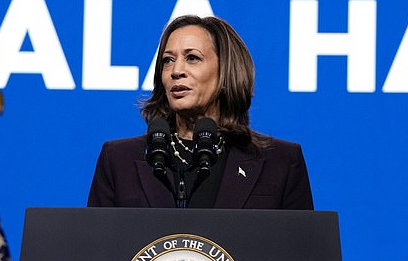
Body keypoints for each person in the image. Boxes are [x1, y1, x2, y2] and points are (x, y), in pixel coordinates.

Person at [87, 15, 313, 209]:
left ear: (226, 72)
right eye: (168, 60)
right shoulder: (119, 160)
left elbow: (303, 256)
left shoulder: (280, 162)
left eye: (192, 58)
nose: (176, 71)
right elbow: (95, 253)